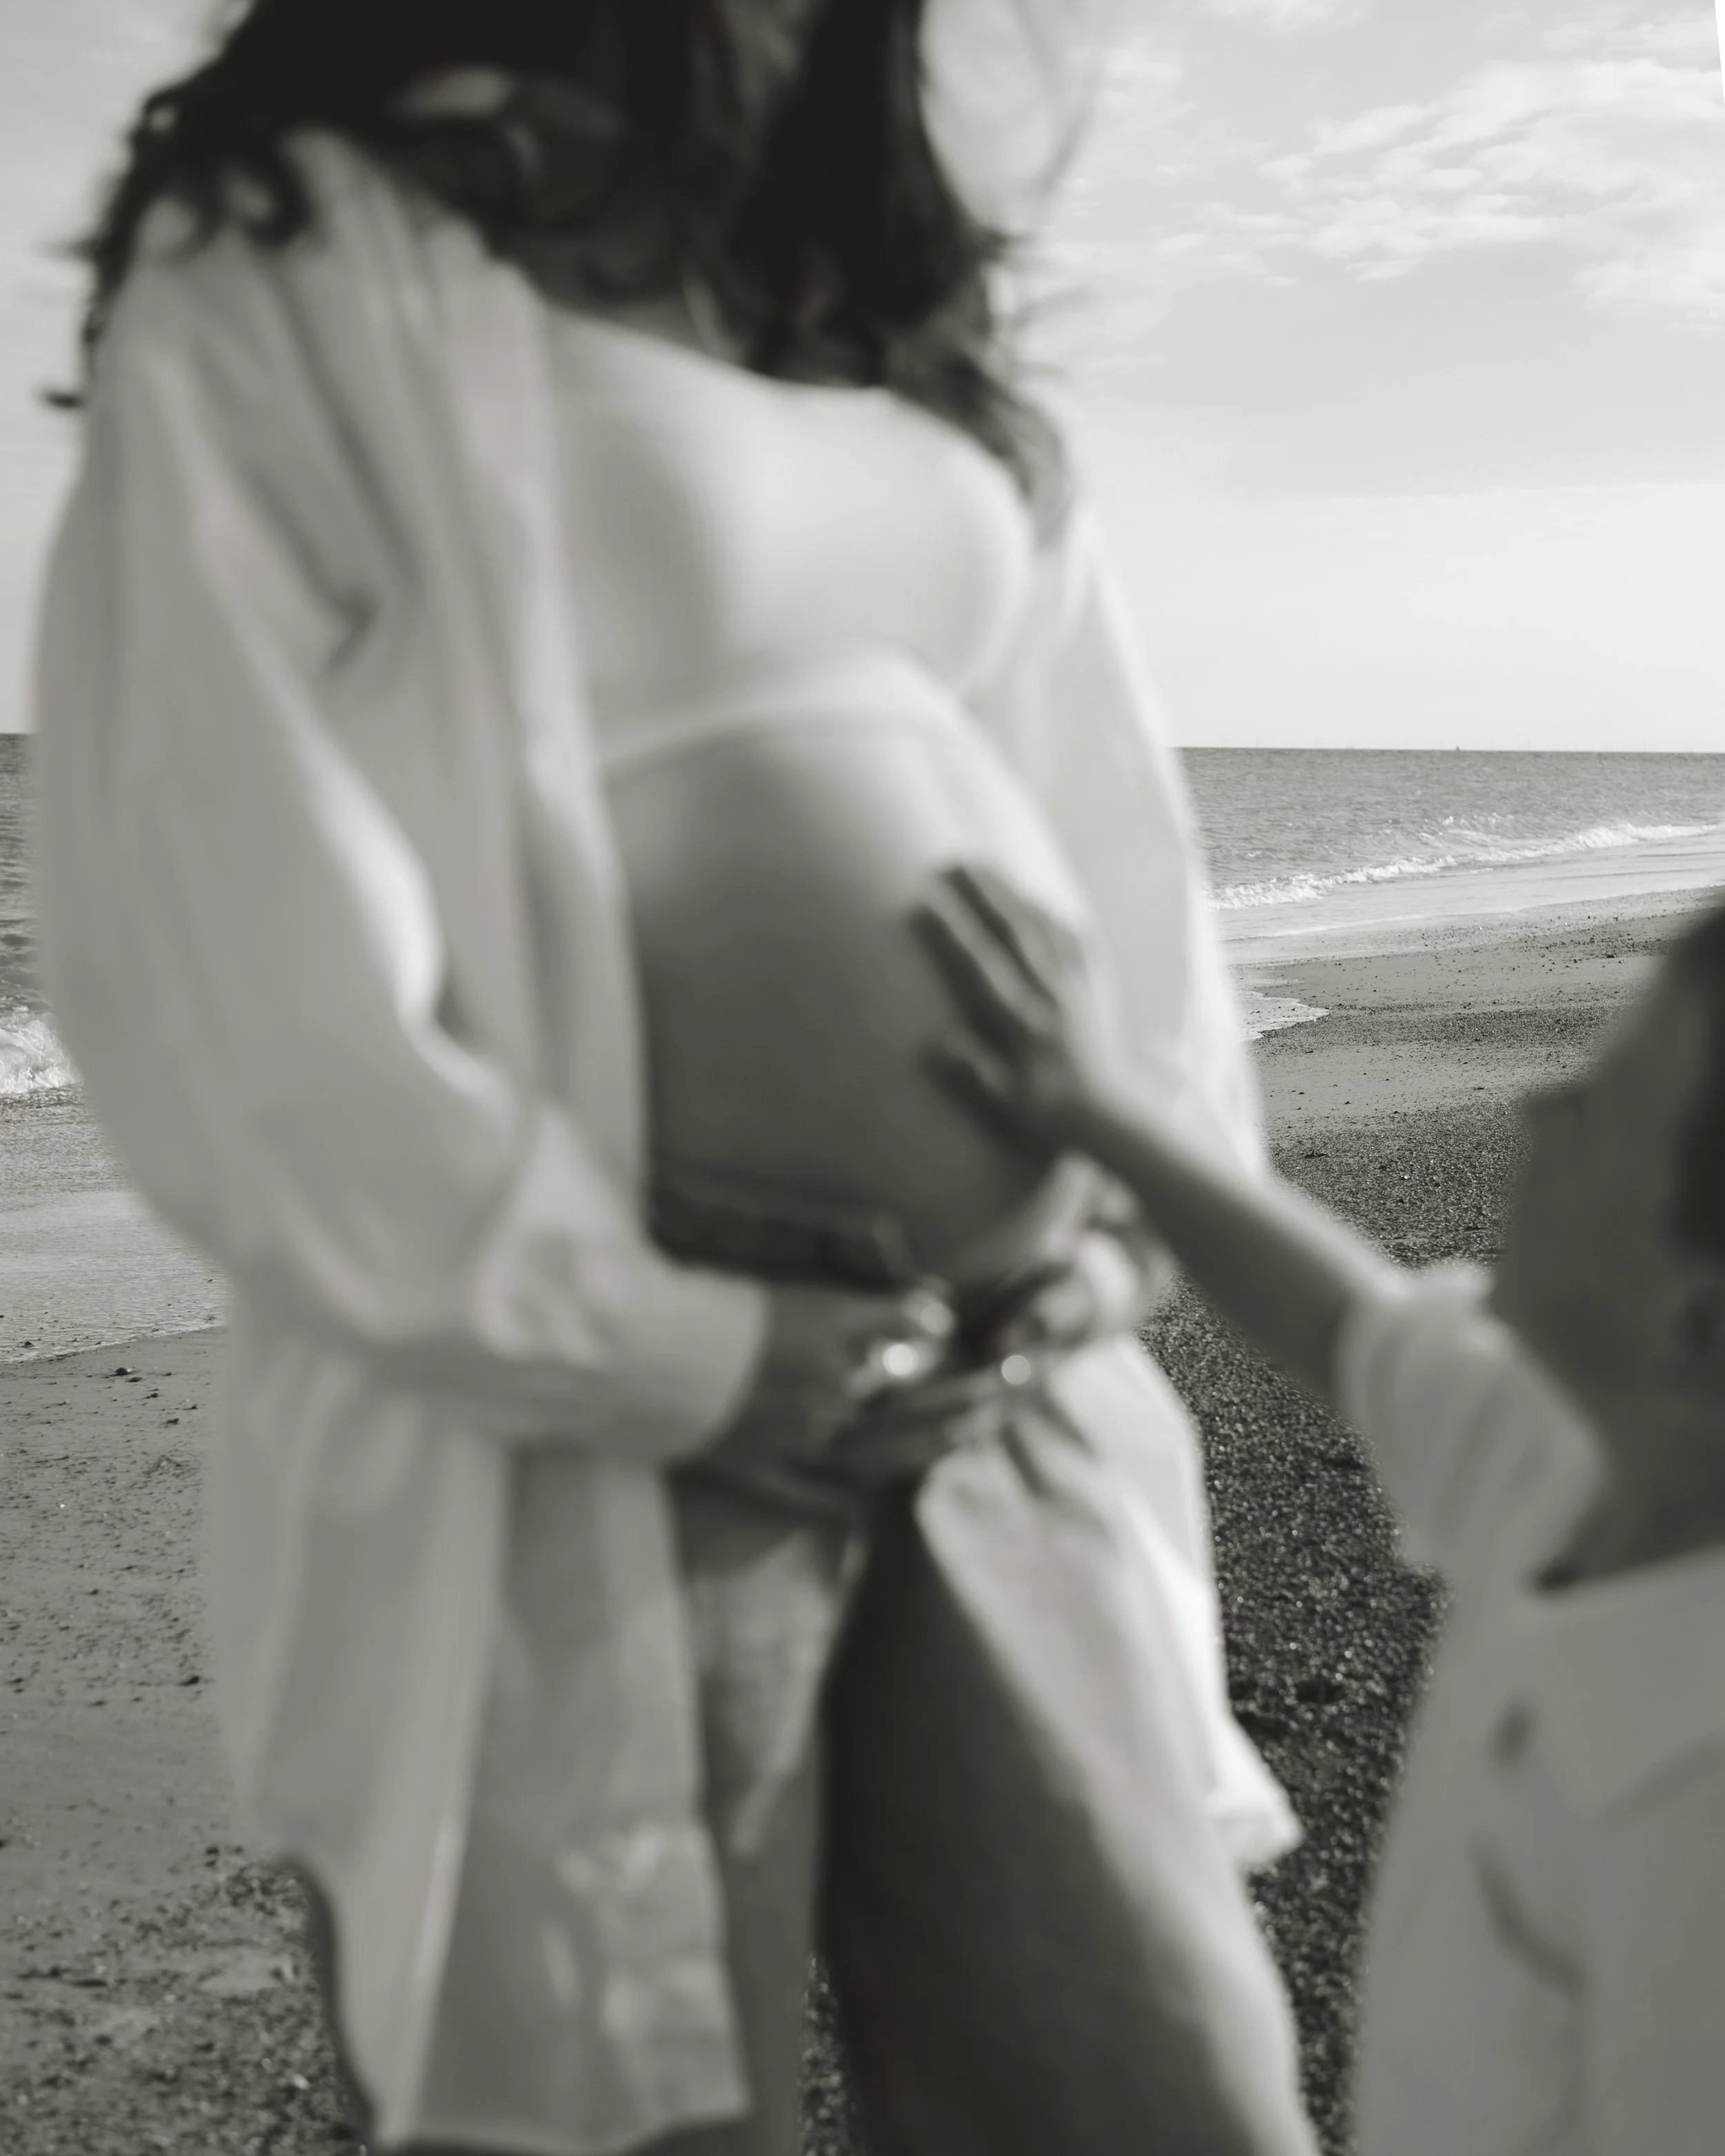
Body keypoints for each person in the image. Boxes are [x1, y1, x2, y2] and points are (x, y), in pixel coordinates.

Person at [36, 6, 1312, 2153]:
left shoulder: (875, 285)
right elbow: (216, 906)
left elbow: (1102, 807)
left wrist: (1123, 1212)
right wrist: (673, 1343)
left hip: (997, 1371)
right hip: (588, 1406)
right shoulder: (305, 246)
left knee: (1163, 2098)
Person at [917, 862, 1725, 2156]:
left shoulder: (1693, 1823)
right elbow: (1343, 1321)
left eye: (1601, 1105)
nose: (1539, 1105)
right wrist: (1095, 1108)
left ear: (1697, 1326)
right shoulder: (1561, 1457)